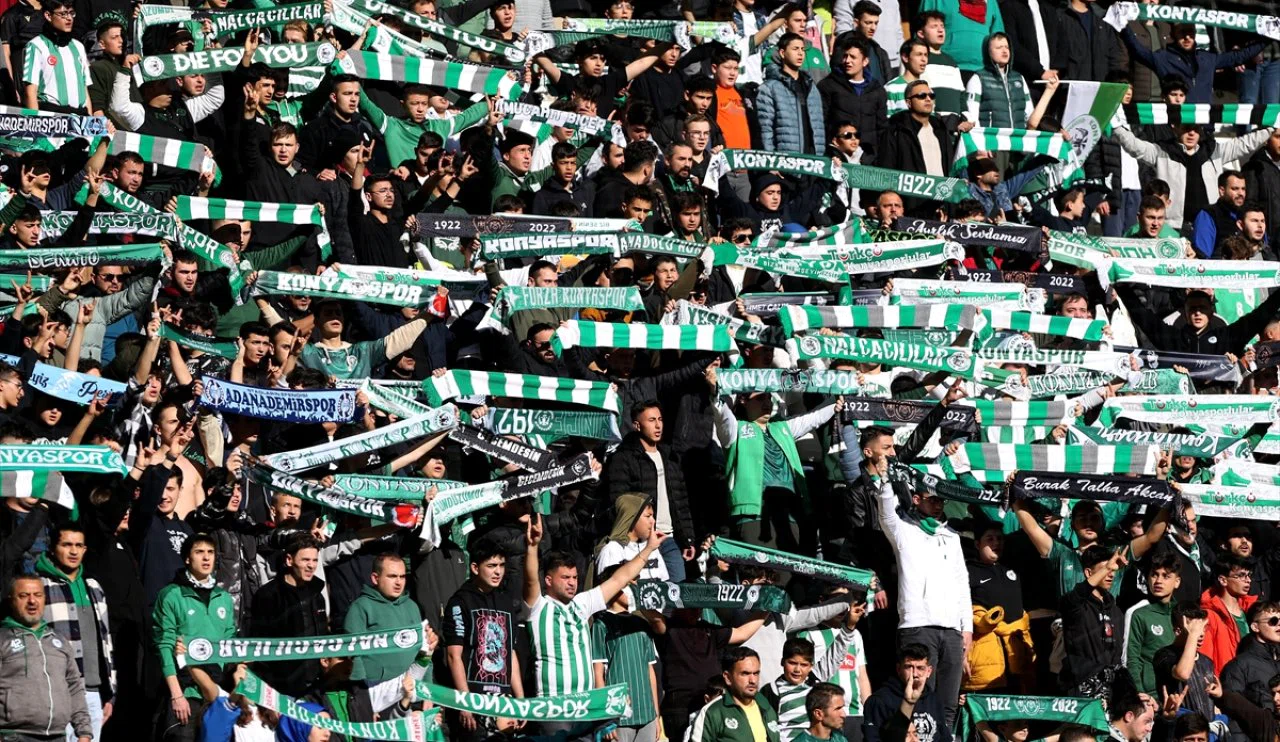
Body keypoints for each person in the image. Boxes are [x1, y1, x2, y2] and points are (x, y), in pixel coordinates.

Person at [151, 533, 236, 740]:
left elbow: (230, 644)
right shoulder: (171, 595)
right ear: (188, 558)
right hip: (185, 690)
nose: (206, 558)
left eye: (210, 552)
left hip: (217, 691)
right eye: (199, 552)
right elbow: (164, 645)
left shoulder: (224, 598)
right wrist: (176, 694)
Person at [35, 524, 115, 741]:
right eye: (67, 545)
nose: (73, 551)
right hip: (54, 692)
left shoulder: (94, 586)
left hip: (93, 692)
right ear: (53, 548)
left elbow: (106, 642)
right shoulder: (39, 586)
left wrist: (110, 694)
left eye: (79, 545)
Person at [0, 575, 93, 742]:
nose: (32, 601)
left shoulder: (59, 640)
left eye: (38, 595)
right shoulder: (2, 639)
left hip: (58, 736)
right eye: (24, 595)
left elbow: (74, 687)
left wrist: (84, 732)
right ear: (11, 600)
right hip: (14, 735)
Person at [591, 563, 661, 742]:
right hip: (618, 718)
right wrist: (605, 719)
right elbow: (598, 673)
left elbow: (650, 671)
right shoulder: (601, 624)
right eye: (628, 584)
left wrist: (656, 714)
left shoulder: (642, 624)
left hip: (647, 715)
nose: (633, 589)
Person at [689, 646, 781, 742]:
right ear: (728, 677)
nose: (753, 680)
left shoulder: (766, 708)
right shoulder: (713, 712)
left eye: (756, 673)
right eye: (745, 674)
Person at [861, 645, 950, 742]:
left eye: (920, 668)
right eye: (909, 667)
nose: (914, 674)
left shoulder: (934, 700)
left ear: (929, 671)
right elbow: (872, 738)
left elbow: (945, 738)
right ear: (898, 669)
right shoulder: (880, 700)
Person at [758, 33, 826, 155]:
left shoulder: (812, 87)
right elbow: (765, 129)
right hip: (786, 160)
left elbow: (819, 127)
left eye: (802, 49)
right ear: (782, 53)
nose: (800, 53)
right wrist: (772, 159)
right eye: (795, 49)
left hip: (813, 159)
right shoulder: (769, 88)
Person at [1123, 552, 1179, 695]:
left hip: (1179, 693)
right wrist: (1139, 693)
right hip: (1150, 695)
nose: (1158, 581)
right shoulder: (1137, 613)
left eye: (1166, 576)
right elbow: (1130, 659)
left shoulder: (1181, 613)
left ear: (1177, 581)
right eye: (1154, 575)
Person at [1202, 556, 1260, 674]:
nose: (1248, 580)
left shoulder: (1253, 611)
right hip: (1225, 681)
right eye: (1241, 575)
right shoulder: (1209, 616)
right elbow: (1204, 659)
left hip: (1253, 678)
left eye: (1249, 575)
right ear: (1223, 580)